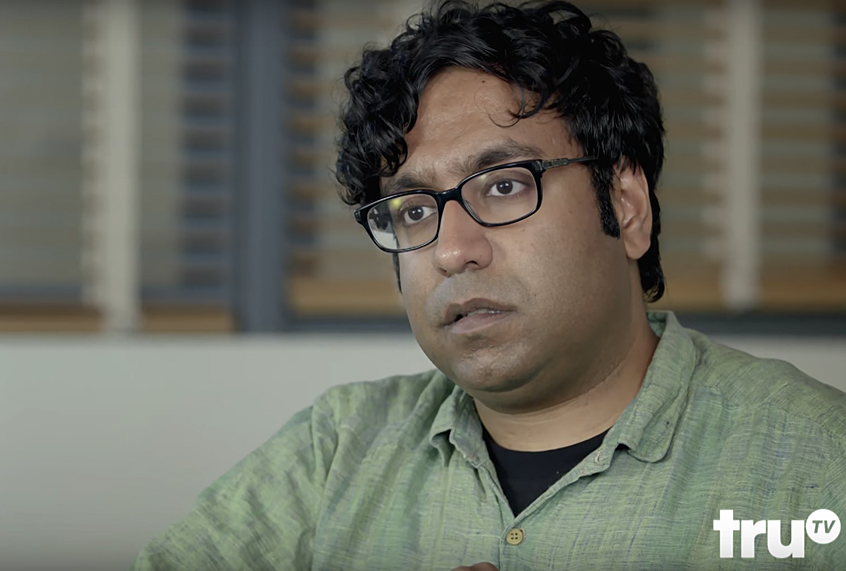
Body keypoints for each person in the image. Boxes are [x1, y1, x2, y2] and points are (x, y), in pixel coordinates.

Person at [131, 1, 846, 569]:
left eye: (503, 185)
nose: (452, 250)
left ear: (626, 207)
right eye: (415, 210)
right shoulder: (336, 452)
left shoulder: (816, 465)